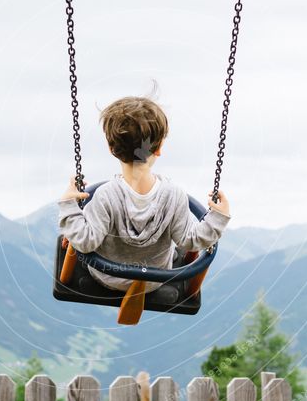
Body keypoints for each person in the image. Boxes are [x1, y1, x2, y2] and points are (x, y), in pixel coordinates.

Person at [58, 94, 231, 296]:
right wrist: (218, 218)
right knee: (178, 244)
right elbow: (192, 241)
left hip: (106, 278)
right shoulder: (174, 196)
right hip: (154, 281)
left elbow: (85, 241)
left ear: (111, 148)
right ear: (158, 149)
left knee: (79, 226)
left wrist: (69, 205)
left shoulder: (105, 196)